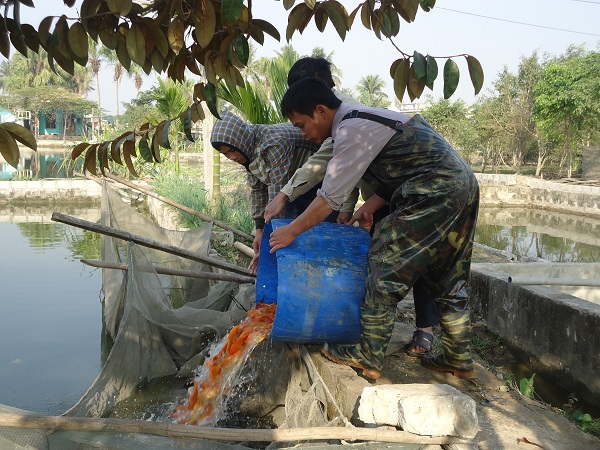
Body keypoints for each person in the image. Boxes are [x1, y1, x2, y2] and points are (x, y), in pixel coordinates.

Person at [268, 78, 480, 381]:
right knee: (448, 273)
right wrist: (370, 205)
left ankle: (367, 354)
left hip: (432, 190)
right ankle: (458, 358)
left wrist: (292, 231)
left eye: (302, 125)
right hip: (462, 185)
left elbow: (328, 199)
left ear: (320, 111)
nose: (303, 134)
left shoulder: (350, 130)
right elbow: (411, 163)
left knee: (383, 266)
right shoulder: (365, 118)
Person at [263, 57, 439, 357]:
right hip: (390, 191)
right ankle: (378, 335)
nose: (302, 131)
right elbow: (338, 169)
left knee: (397, 265)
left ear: (316, 94)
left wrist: (290, 221)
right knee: (387, 261)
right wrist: (356, 205)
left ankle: (376, 349)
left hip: (417, 193)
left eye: (301, 123)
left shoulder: (346, 118)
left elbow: (329, 174)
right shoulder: (337, 117)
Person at [210, 110, 333, 273]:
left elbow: (278, 191)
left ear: (239, 141)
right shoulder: (248, 149)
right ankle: (291, 271)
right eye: (225, 154)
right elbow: (257, 189)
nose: (231, 157)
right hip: (294, 185)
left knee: (314, 234)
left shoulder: (273, 142)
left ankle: (312, 273)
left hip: (320, 179)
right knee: (287, 233)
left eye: (232, 151)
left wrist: (269, 245)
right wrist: (260, 231)